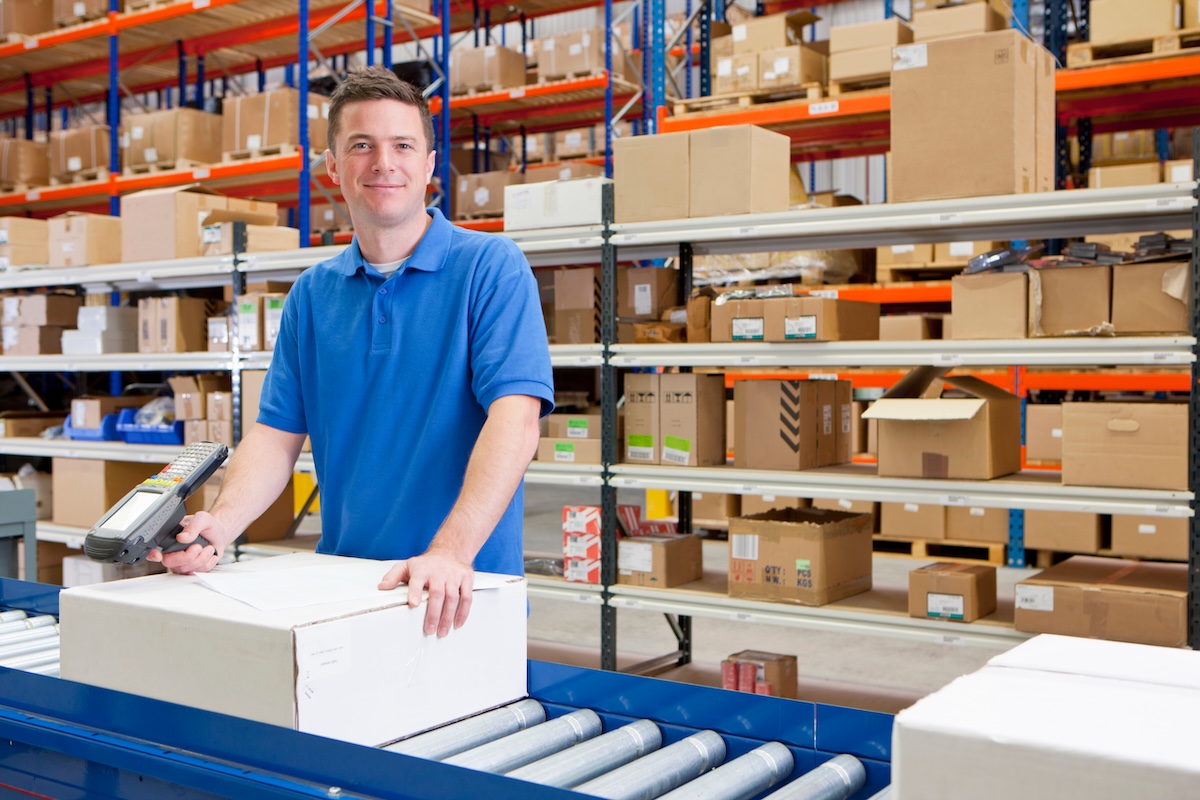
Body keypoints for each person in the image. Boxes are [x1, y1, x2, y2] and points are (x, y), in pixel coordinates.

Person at [149, 67, 554, 638]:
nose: (384, 163)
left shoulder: (490, 267)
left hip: (462, 589)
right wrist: (218, 526)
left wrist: (449, 552)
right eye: (361, 145)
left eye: (403, 145)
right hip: (344, 588)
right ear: (334, 167)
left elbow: (516, 420)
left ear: (430, 165)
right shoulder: (312, 295)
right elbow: (275, 434)